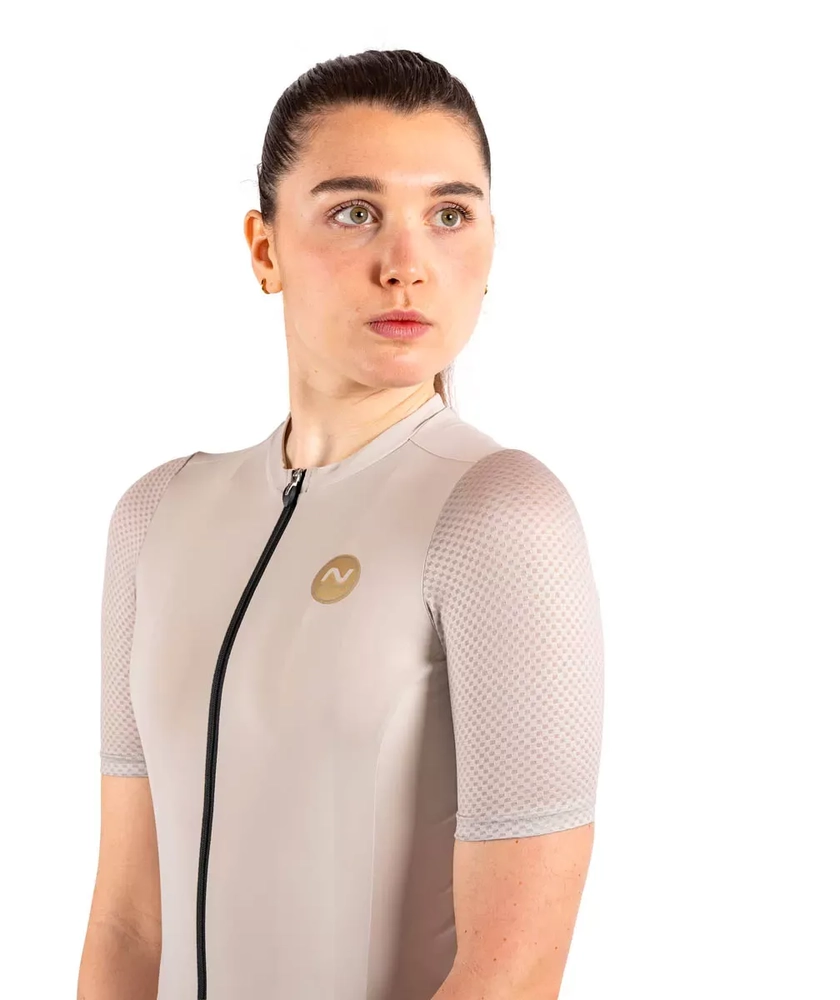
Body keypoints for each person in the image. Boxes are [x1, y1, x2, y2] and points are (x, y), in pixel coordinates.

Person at [78, 48, 604, 1000]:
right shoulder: (156, 518)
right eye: (355, 212)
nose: (407, 265)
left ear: (491, 247)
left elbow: (515, 970)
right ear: (265, 249)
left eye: (450, 215)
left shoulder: (500, 518)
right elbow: (127, 919)